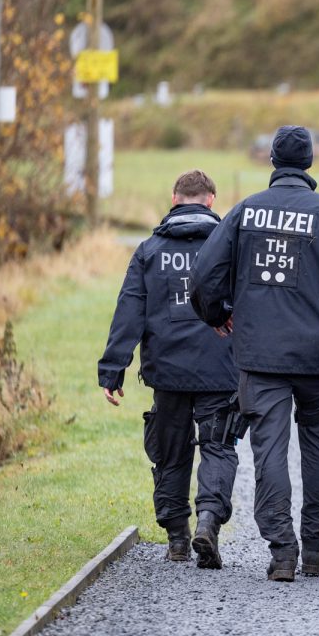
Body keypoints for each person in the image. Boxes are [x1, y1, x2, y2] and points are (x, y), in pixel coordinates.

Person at [192, 125, 319, 582]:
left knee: (269, 451)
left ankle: (282, 552)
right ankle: (315, 548)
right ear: (310, 163)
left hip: (259, 357)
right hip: (318, 358)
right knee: (318, 445)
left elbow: (202, 277)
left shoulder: (243, 213)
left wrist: (218, 316)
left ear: (273, 162)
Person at [97, 170, 239, 569]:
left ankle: (177, 537)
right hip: (219, 368)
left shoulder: (149, 250)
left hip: (168, 371)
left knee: (171, 455)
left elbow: (129, 311)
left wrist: (113, 369)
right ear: (212, 201)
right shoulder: (230, 246)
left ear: (174, 198)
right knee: (218, 447)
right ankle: (208, 520)